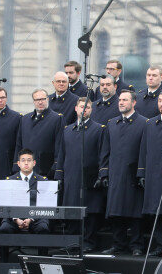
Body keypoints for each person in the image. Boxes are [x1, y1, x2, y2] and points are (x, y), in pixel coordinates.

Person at [55, 97, 105, 253]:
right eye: (82, 106)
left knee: (89, 211)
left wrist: (101, 174)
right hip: (70, 176)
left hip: (89, 176)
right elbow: (61, 154)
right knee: (72, 209)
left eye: (88, 107)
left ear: (91, 110)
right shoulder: (67, 130)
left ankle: (89, 241)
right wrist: (59, 176)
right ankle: (71, 241)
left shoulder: (98, 129)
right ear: (76, 109)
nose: (84, 110)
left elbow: (102, 153)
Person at [100, 90, 147, 256]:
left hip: (133, 174)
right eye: (120, 100)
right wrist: (104, 173)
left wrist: (142, 173)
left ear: (134, 103)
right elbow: (105, 150)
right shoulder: (111, 123)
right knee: (115, 211)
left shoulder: (144, 123)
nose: (121, 102)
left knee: (134, 213)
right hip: (115, 174)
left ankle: (137, 245)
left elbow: (145, 150)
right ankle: (118, 244)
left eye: (125, 100)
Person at [137, 90, 162, 257]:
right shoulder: (150, 123)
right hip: (153, 174)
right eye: (160, 100)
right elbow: (143, 150)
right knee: (155, 212)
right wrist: (141, 173)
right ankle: (160, 245)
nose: (161, 104)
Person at [0, 148, 49, 262]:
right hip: (13, 217)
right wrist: (16, 219)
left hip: (36, 217)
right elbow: (6, 203)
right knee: (4, 230)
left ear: (34, 163)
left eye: (29, 160)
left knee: (43, 228)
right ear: (18, 163)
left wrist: (30, 218)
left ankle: (41, 263)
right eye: (23, 160)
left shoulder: (42, 181)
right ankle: (3, 263)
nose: (26, 163)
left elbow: (44, 204)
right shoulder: (10, 180)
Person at [13, 89, 65, 179]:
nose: (40, 102)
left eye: (43, 99)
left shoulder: (57, 119)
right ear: (33, 101)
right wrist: (16, 167)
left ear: (47, 99)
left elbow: (60, 146)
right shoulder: (25, 119)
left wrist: (56, 169)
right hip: (26, 170)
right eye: (37, 100)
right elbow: (19, 144)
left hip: (46, 170)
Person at [0, 87, 21, 180]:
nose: (0, 100)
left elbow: (19, 144)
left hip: (6, 166)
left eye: (3, 97)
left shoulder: (16, 118)